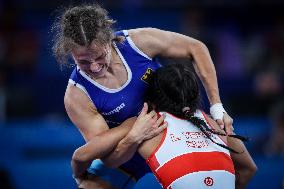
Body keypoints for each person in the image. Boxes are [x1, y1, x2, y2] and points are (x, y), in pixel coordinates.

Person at [52, 3, 234, 188]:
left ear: (109, 39)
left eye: (99, 56)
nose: (94, 67)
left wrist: (217, 107)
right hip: (129, 152)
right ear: (71, 55)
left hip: (175, 130)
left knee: (238, 162)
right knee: (89, 186)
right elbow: (110, 160)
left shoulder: (139, 42)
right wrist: (133, 137)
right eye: (83, 61)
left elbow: (196, 48)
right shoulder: (77, 96)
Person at [72, 63, 257, 189]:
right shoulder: (215, 123)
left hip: (132, 150)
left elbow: (81, 156)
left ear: (150, 97)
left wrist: (79, 176)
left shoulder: (145, 122)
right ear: (195, 95)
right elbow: (249, 169)